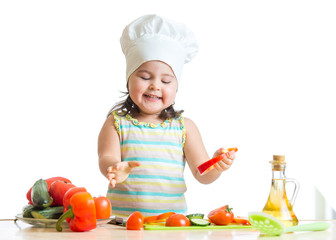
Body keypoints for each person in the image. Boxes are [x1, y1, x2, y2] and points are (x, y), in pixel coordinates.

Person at [98, 14, 236, 218]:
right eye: (145, 77)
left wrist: (216, 166)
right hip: (122, 223)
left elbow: (203, 174)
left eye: (166, 81)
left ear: (176, 87)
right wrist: (115, 167)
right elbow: (106, 157)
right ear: (129, 80)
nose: (154, 85)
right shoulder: (116, 123)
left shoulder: (184, 127)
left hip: (171, 225)